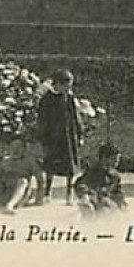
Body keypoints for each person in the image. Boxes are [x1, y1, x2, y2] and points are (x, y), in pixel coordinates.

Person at [36, 69, 84, 203]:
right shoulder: (47, 99)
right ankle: (47, 193)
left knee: (70, 166)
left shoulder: (69, 98)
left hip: (68, 136)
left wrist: (80, 134)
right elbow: (42, 119)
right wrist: (43, 137)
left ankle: (69, 194)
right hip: (53, 138)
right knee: (51, 166)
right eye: (66, 86)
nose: (68, 89)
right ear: (57, 84)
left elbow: (76, 117)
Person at [74, 143, 127, 218]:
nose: (117, 162)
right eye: (114, 159)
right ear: (104, 158)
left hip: (108, 205)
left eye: (118, 159)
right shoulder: (92, 173)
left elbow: (118, 193)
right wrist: (85, 197)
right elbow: (81, 185)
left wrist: (122, 205)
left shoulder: (114, 176)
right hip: (94, 203)